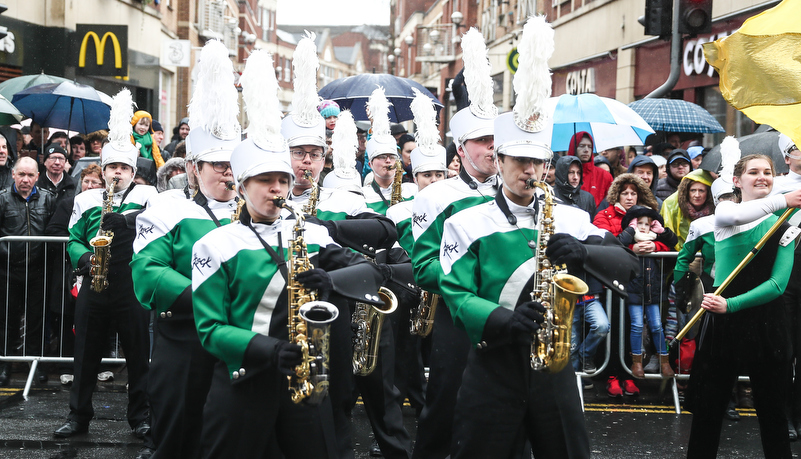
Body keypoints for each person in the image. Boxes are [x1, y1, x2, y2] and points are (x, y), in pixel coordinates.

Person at [438, 19, 638, 455]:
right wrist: (503, 320)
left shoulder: (569, 216)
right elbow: (455, 293)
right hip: (494, 365)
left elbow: (629, 267)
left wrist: (584, 251)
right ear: (501, 159)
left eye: (537, 162)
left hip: (555, 368)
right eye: (519, 161)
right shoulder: (468, 221)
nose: (529, 171)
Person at [191, 98, 387, 458]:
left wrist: (333, 281)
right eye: (265, 181)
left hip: (304, 383)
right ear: (243, 185)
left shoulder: (310, 234)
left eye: (282, 180)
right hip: (244, 384)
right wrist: (271, 349)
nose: (277, 189)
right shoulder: (214, 244)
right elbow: (210, 329)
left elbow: (367, 268)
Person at [130, 39, 242, 459]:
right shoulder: (167, 206)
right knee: (178, 435)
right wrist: (209, 297)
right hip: (184, 338)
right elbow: (148, 270)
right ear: (194, 168)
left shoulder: (256, 211)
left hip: (238, 342)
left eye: (234, 166)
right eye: (219, 166)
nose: (228, 175)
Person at [409, 27, 499, 459]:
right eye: (482, 141)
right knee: (445, 409)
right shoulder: (435, 196)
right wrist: (470, 282)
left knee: (500, 415)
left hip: (507, 316)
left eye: (495, 140)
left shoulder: (517, 193)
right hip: (456, 317)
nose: (492, 149)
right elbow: (423, 266)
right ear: (461, 149)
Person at [53, 89, 156, 448]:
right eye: (113, 167)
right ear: (104, 167)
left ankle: (140, 417)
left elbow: (153, 232)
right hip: (94, 282)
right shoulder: (85, 198)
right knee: (86, 356)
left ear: (133, 170)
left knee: (138, 353)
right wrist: (84, 259)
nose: (118, 173)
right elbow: (72, 237)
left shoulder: (148, 197)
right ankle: (77, 416)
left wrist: (127, 220)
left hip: (131, 283)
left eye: (125, 168)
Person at [685, 154, 801, 458]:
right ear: (737, 181)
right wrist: (785, 198)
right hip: (723, 327)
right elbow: (735, 217)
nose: (762, 177)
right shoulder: (725, 210)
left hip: (767, 325)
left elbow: (777, 284)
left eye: (768, 172)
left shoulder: (786, 224)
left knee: (773, 416)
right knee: (708, 415)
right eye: (753, 172)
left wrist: (731, 304)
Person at [593, 173, 656, 397]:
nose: (629, 197)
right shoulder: (604, 214)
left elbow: (661, 236)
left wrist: (654, 246)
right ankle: (611, 375)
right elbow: (604, 241)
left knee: (632, 327)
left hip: (637, 281)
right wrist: (631, 246)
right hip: (611, 280)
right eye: (625, 193)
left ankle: (628, 373)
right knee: (612, 327)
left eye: (633, 193)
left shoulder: (646, 216)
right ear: (616, 194)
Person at [0, 157, 57, 386]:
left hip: (37, 269)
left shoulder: (48, 198)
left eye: (30, 175)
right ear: (13, 174)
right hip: (8, 269)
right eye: (21, 174)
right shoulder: (2, 199)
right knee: (7, 319)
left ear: (37, 176)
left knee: (36, 320)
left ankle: (34, 363)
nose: (25, 180)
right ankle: (5, 364)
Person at [617, 205, 677, 378]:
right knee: (636, 324)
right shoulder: (628, 242)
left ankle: (664, 361)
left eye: (647, 224)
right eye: (639, 223)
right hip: (634, 290)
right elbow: (619, 243)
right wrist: (630, 229)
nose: (643, 227)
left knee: (657, 325)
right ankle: (637, 362)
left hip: (653, 290)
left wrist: (661, 232)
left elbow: (672, 243)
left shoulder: (656, 242)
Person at [771, 133, 801, 441]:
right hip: (785, 265)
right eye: (797, 147)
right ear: (787, 156)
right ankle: (782, 417)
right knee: (785, 348)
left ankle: (799, 415)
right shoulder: (778, 186)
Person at [362, 88, 417, 214]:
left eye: (392, 157)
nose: (388, 161)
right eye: (382, 157)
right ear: (370, 164)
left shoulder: (412, 191)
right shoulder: (362, 195)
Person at [660, 169, 714, 250]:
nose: (697, 195)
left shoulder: (716, 208)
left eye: (701, 191)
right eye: (693, 190)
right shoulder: (672, 206)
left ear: (708, 193)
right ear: (686, 191)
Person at [566, 131, 613, 207]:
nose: (586, 150)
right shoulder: (563, 173)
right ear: (573, 147)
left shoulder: (604, 176)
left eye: (589, 146)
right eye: (581, 146)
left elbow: (611, 204)